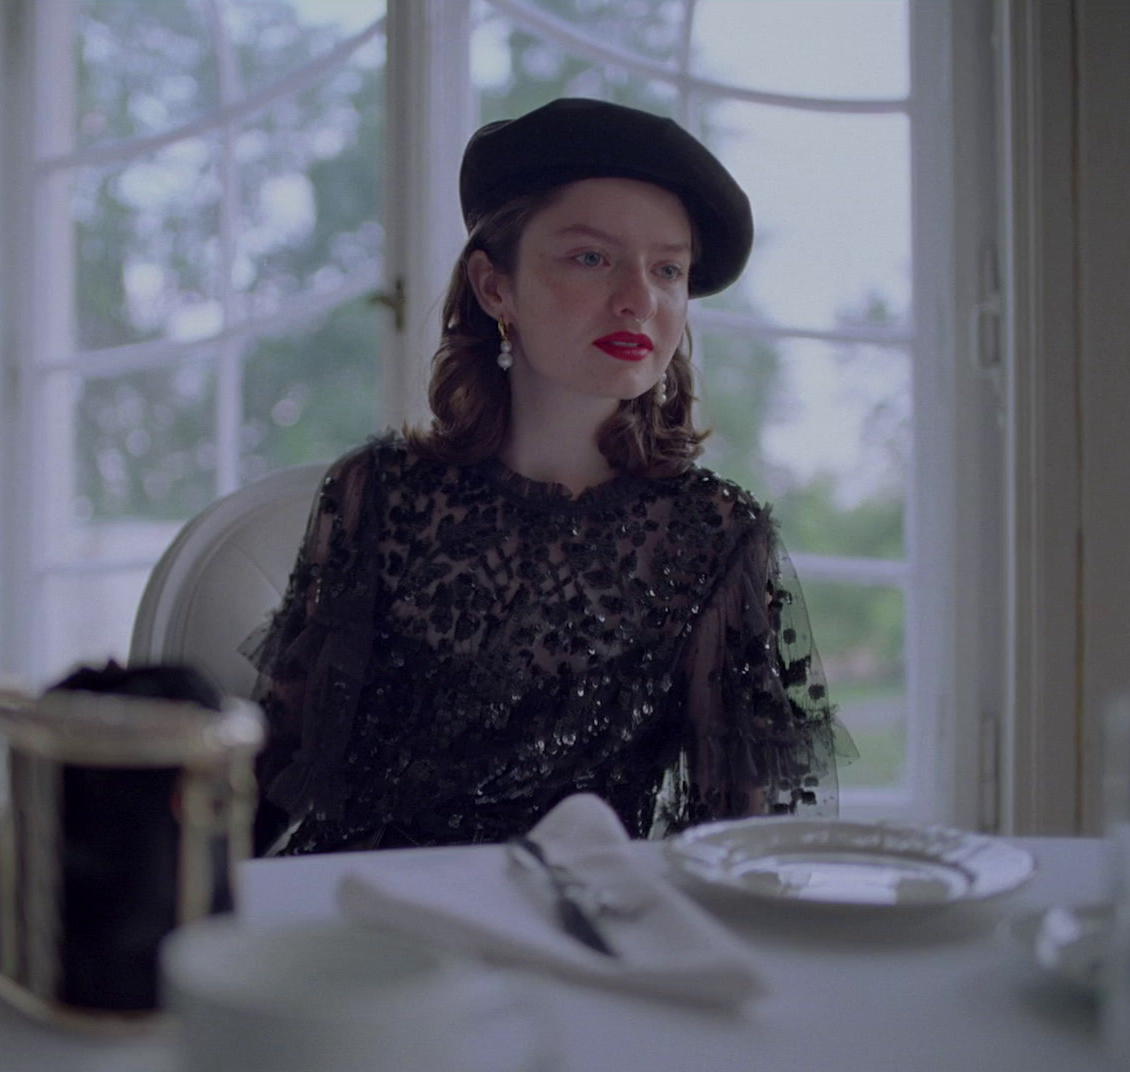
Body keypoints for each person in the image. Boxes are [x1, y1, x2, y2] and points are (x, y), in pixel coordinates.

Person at [246, 97, 854, 856]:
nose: (640, 297)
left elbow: (737, 838)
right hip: (369, 928)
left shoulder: (717, 539)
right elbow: (267, 778)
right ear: (495, 287)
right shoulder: (377, 496)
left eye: (668, 268)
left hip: (581, 932)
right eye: (591, 257)